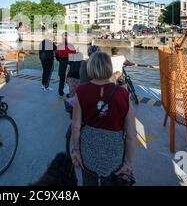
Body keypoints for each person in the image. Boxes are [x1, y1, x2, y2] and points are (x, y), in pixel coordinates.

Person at [71, 52, 136, 186]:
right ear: (109, 67)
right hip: (114, 151)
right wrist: (128, 164)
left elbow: (76, 126)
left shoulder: (81, 90)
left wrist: (76, 151)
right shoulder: (123, 93)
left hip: (88, 148)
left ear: (90, 67)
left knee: (89, 181)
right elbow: (131, 134)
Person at [55, 32, 76, 97]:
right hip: (69, 64)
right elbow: (74, 56)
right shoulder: (71, 46)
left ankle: (60, 92)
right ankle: (68, 94)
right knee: (69, 80)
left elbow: (57, 56)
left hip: (62, 63)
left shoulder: (59, 46)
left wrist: (60, 60)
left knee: (61, 79)